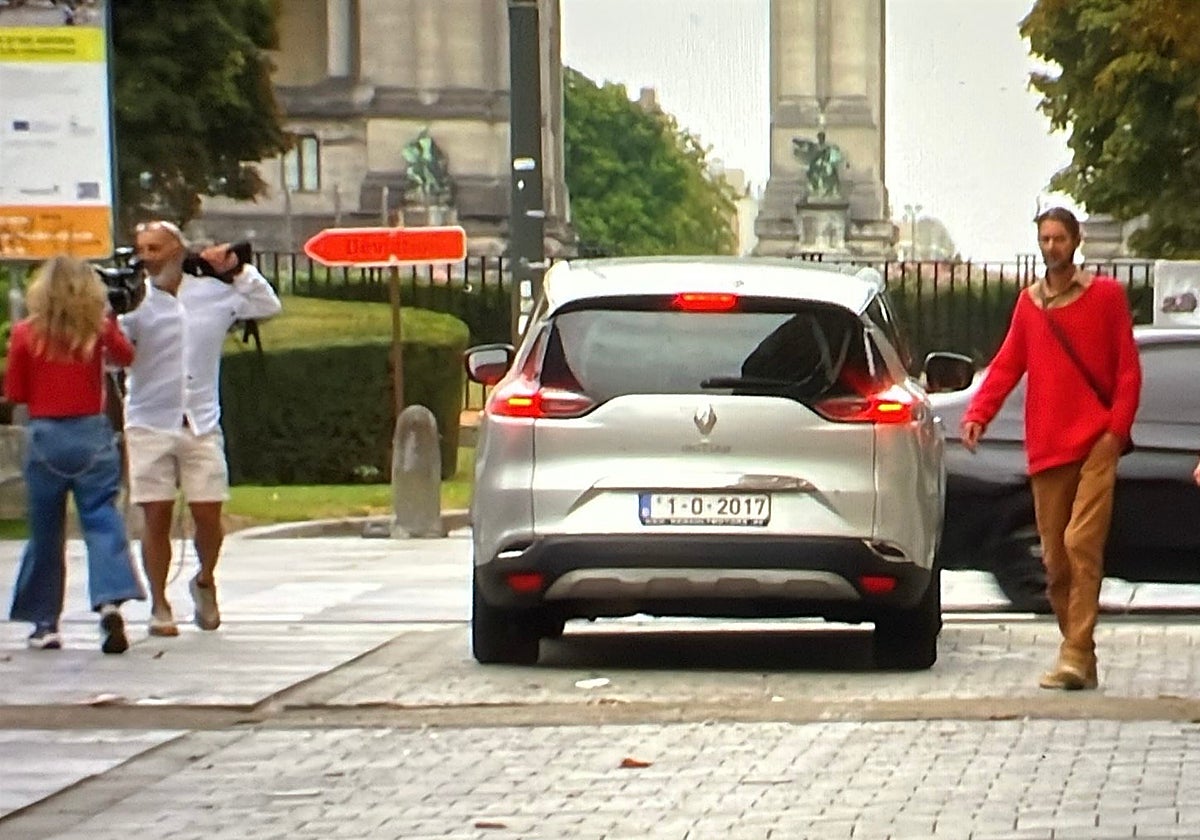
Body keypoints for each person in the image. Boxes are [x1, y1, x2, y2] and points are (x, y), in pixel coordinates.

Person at [960, 207, 1141, 691]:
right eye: (1045, 238)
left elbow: (1127, 369)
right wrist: (978, 414)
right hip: (1047, 447)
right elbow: (1005, 366)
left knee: (1082, 544)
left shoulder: (1105, 296)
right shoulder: (1030, 305)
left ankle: (1075, 652)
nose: (1052, 247)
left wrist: (1114, 432)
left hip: (1097, 443)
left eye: (1060, 238)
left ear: (1076, 242)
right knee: (1055, 560)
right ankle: (1078, 649)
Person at [120, 221, 281, 637]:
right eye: (142, 248)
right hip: (149, 419)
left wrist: (235, 269)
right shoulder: (135, 303)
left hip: (200, 421)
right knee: (154, 514)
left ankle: (205, 578)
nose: (147, 256)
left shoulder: (211, 293)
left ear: (177, 250)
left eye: (155, 247)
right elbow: (113, 351)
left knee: (208, 513)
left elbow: (266, 305)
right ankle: (159, 603)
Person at [5, 255, 145, 653]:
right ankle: (109, 601)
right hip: (92, 433)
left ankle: (44, 621)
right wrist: (109, 319)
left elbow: (16, 392)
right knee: (102, 518)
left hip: (46, 435)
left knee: (45, 531)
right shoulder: (97, 329)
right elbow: (126, 357)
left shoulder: (25, 334)